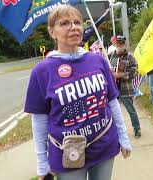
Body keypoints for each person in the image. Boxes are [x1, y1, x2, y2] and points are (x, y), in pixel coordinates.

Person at [24, 5, 131, 180]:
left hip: (104, 145)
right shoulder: (41, 71)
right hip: (67, 153)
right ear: (52, 32)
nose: (73, 27)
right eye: (65, 23)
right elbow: (39, 120)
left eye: (77, 22)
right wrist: (42, 162)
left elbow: (112, 102)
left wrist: (123, 137)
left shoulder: (98, 61)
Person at [108, 35, 142, 139]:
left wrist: (120, 75)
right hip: (113, 89)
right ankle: (114, 132)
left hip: (125, 89)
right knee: (112, 112)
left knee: (131, 110)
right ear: (115, 43)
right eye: (118, 43)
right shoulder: (110, 56)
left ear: (125, 44)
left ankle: (137, 129)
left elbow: (134, 72)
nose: (119, 45)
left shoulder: (130, 56)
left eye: (121, 43)